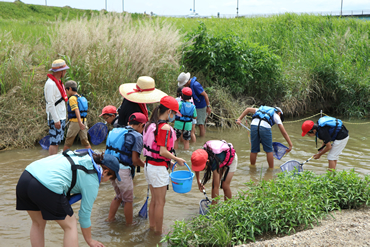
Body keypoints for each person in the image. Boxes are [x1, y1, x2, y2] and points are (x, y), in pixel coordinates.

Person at [16, 149, 121, 247]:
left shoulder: (82, 156)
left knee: (38, 223)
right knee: (71, 225)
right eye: (110, 179)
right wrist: (89, 240)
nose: (107, 181)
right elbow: (84, 215)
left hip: (26, 177)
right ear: (105, 172)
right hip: (46, 185)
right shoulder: (92, 180)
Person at [142, 95, 186, 235]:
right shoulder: (165, 127)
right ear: (168, 112)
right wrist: (177, 158)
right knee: (161, 202)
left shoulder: (150, 124)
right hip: (157, 169)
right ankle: (158, 233)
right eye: (173, 113)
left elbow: (157, 151)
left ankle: (152, 228)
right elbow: (162, 150)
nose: (174, 116)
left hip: (148, 166)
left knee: (154, 200)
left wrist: (169, 160)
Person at [105, 113, 147, 225]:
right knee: (128, 200)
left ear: (129, 123)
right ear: (141, 125)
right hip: (122, 170)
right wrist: (146, 166)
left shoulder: (116, 131)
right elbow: (135, 160)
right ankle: (129, 225)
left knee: (118, 196)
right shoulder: (137, 136)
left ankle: (110, 219)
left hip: (109, 168)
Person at [44, 59, 69, 155]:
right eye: (65, 70)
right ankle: (52, 161)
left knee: (58, 141)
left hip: (60, 116)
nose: (65, 72)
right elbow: (50, 103)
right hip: (56, 117)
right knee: (54, 141)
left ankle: (54, 159)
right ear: (60, 71)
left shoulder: (58, 82)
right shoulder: (50, 84)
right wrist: (56, 120)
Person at [177, 72, 211, 137]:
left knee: (200, 124)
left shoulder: (196, 85)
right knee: (193, 124)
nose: (183, 86)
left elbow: (205, 95)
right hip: (194, 106)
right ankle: (195, 138)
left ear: (186, 82)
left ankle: (201, 140)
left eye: (184, 84)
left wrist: (208, 106)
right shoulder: (189, 86)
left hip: (201, 106)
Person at [63, 80, 91, 151]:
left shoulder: (72, 98)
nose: (66, 92)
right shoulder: (81, 97)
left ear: (70, 88)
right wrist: (81, 122)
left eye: (66, 90)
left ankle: (63, 156)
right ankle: (91, 156)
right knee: (85, 142)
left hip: (76, 122)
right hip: (84, 121)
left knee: (68, 142)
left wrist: (79, 122)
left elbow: (76, 110)